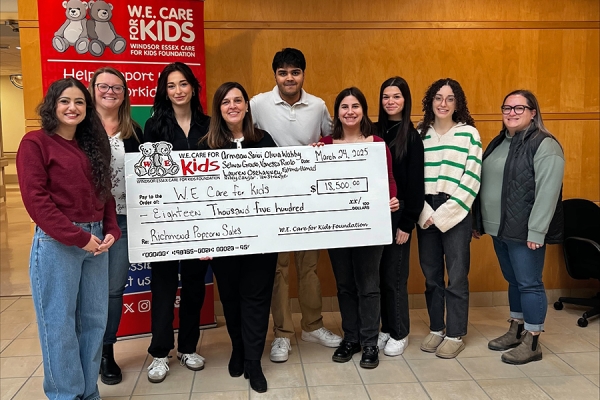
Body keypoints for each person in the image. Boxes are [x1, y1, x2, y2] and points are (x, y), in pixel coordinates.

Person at [16, 77, 120, 399]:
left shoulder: (91, 144)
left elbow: (105, 193)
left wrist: (111, 229)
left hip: (97, 242)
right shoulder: (35, 143)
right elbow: (37, 201)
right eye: (65, 101)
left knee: (93, 322)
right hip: (58, 243)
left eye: (79, 102)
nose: (72, 107)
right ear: (52, 105)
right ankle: (65, 395)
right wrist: (77, 237)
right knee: (59, 324)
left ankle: (89, 393)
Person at [250, 47, 340, 363]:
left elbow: (333, 141)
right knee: (279, 270)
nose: (289, 78)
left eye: (295, 72)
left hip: (309, 199)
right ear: (275, 75)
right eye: (283, 72)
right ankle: (283, 334)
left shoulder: (318, 106)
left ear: (303, 74)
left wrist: (321, 147)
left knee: (309, 267)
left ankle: (312, 326)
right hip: (271, 200)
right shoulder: (257, 104)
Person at [473, 90, 564, 365]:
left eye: (519, 108)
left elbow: (548, 191)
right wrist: (479, 222)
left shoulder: (545, 144)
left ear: (533, 112)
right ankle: (517, 328)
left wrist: (537, 231)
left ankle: (533, 341)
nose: (511, 113)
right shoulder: (499, 141)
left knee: (529, 284)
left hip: (525, 232)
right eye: (507, 108)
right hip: (499, 229)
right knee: (514, 281)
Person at [199, 82, 278, 393]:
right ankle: (238, 348)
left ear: (247, 106)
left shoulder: (264, 140)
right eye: (225, 102)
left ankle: (254, 361)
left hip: (262, 241)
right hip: (224, 241)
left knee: (256, 299)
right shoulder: (206, 146)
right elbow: (197, 199)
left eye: (237, 100)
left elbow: (285, 181)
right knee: (231, 298)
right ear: (218, 109)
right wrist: (202, 239)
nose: (232, 106)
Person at [318, 87, 399, 369]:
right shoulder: (324, 144)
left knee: (368, 285)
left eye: (355, 106)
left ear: (363, 111)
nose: (350, 111)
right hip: (337, 228)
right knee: (345, 286)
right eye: (344, 107)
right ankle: (350, 338)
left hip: (370, 227)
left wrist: (392, 199)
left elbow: (389, 179)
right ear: (336, 113)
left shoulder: (377, 144)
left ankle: (369, 342)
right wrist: (311, 158)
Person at [143, 62, 210, 383]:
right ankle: (160, 352)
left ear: (193, 88)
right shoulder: (154, 126)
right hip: (165, 223)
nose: (178, 90)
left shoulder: (209, 125)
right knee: (164, 287)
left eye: (183, 84)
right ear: (164, 91)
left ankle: (188, 347)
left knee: (195, 285)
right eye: (171, 85)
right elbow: (147, 175)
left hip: (200, 221)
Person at [416, 78, 482, 359]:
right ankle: (436, 328)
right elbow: (411, 176)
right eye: (438, 98)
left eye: (450, 99)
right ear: (430, 101)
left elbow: (472, 178)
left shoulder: (469, 134)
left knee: (456, 276)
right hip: (425, 209)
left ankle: (455, 334)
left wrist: (444, 214)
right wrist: (424, 212)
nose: (443, 104)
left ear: (458, 104)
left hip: (457, 208)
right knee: (431, 276)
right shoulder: (420, 132)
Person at [89, 66, 142, 385]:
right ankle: (87, 351)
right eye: (103, 86)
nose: (110, 91)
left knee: (113, 289)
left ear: (124, 94)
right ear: (92, 89)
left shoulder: (133, 130)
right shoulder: (79, 127)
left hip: (122, 219)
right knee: (83, 290)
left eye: (117, 87)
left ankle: (106, 352)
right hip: (85, 220)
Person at [375, 77, 424, 356]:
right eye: (386, 97)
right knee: (379, 276)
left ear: (406, 100)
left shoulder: (412, 137)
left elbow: (416, 185)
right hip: (375, 213)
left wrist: (408, 223)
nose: (390, 101)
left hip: (400, 214)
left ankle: (399, 332)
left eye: (396, 96)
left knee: (395, 277)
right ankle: (386, 326)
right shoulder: (374, 131)